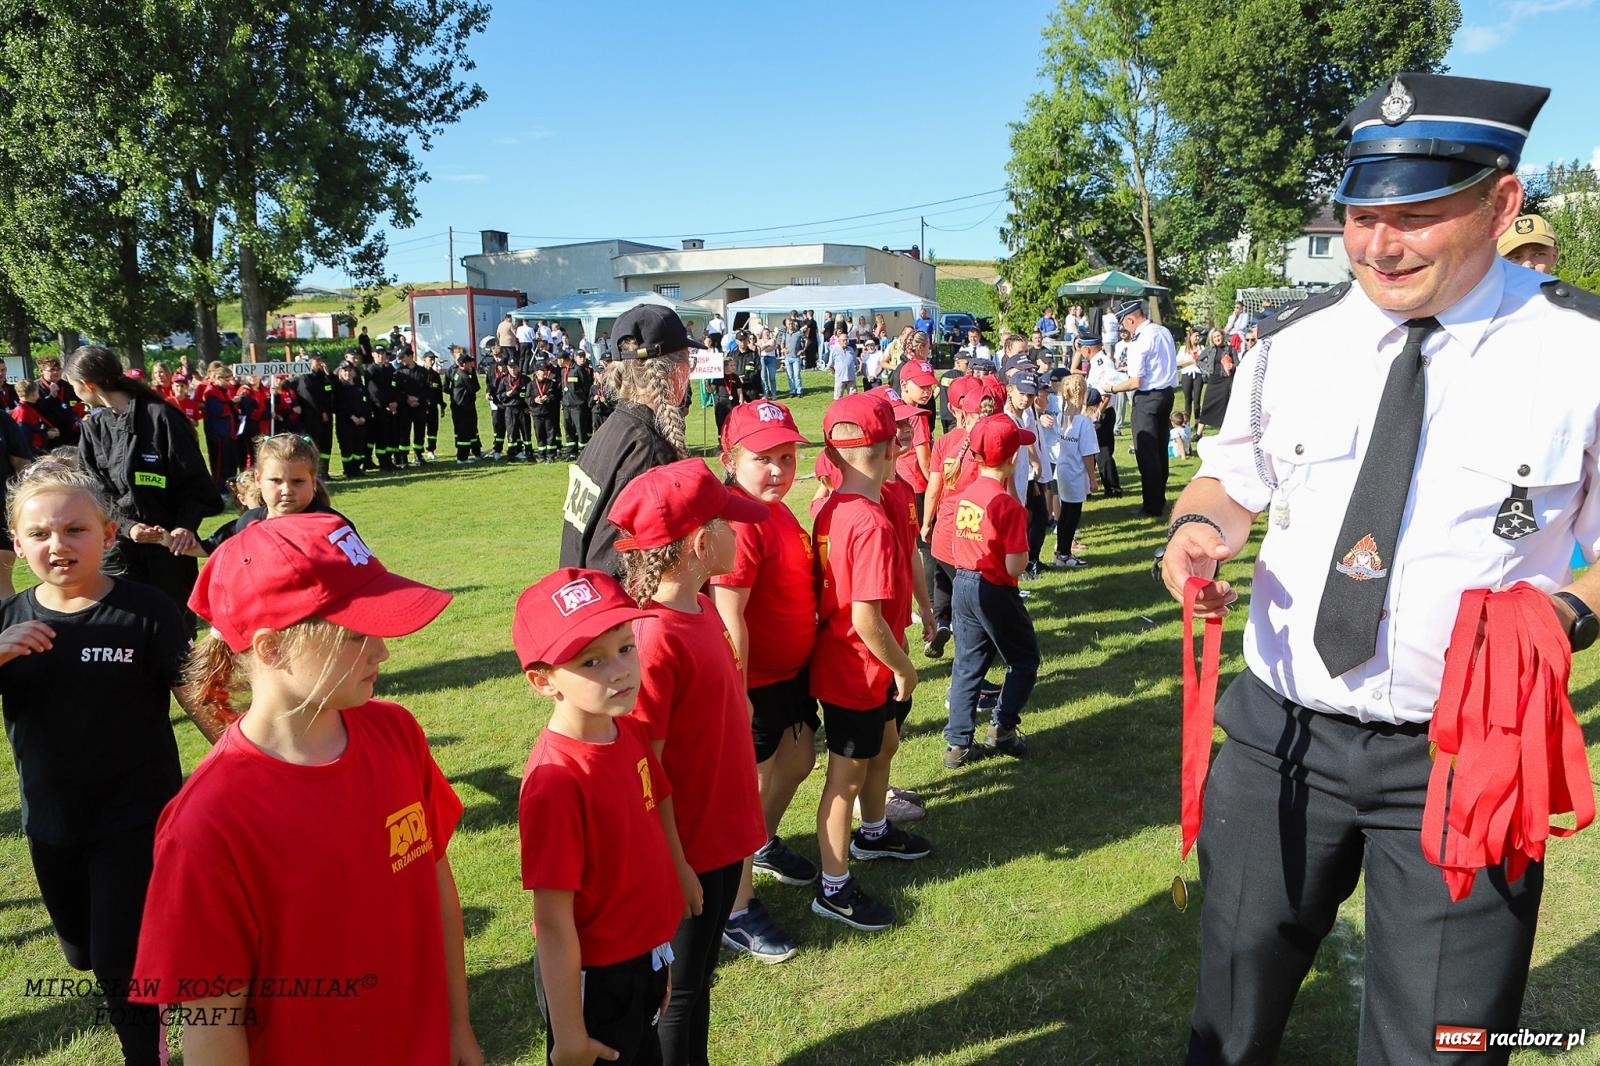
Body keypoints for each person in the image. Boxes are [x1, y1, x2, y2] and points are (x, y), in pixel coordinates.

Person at [1162, 73, 1592, 1065]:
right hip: (1279, 741)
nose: (1380, 245)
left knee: (1442, 1043)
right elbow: (1230, 481)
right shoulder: (1290, 344)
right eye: (1362, 216)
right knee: (1230, 1014)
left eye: (1417, 215)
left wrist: (1561, 614)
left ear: (1502, 204)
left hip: (1466, 757)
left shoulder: (1582, 351)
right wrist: (1195, 529)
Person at [130, 512, 479, 1064]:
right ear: (272, 649)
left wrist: (457, 1028)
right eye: (357, 633)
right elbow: (211, 1021)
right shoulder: (210, 821)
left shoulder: (397, 734)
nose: (383, 651)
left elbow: (436, 888)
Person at [0, 459, 222, 1066]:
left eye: (75, 530)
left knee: (120, 962)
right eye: (40, 533)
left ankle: (144, 1054)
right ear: (17, 542)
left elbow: (199, 698)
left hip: (136, 818)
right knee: (84, 952)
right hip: (51, 823)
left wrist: (251, 762)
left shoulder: (146, 611)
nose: (58, 545)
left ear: (108, 533)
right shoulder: (8, 622)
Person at [609, 460, 768, 1066]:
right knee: (678, 992)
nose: (739, 533)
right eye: (728, 524)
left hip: (721, 838)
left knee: (700, 979)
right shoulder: (654, 637)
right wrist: (674, 864)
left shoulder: (701, 609)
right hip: (688, 852)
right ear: (701, 544)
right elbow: (645, 770)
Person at [514, 567, 685, 1066]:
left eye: (626, 647)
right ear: (543, 680)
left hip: (644, 959)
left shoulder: (625, 730)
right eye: (592, 660)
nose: (620, 671)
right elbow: (553, 922)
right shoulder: (555, 782)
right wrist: (569, 1036)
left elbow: (652, 819)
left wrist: (658, 953)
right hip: (596, 979)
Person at [809, 393, 930, 932]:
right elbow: (865, 619)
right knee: (844, 779)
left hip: (857, 663)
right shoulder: (871, 522)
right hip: (855, 668)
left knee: (884, 745)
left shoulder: (828, 507)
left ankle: (874, 832)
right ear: (891, 449)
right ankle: (833, 886)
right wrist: (904, 666)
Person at [710, 402, 818, 965]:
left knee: (798, 761)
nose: (778, 470)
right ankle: (735, 906)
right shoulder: (737, 523)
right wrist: (738, 693)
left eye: (787, 457)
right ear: (731, 460)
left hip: (790, 676)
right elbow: (730, 616)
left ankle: (761, 844)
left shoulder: (775, 511)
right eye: (763, 459)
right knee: (747, 792)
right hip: (753, 684)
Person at [68, 346, 223, 629]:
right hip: (118, 552)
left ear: (88, 385)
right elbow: (92, 495)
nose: (74, 394)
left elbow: (197, 486)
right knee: (122, 633)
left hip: (168, 553)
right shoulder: (94, 428)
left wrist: (185, 527)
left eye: (73, 386)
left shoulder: (162, 418)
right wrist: (128, 527)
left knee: (172, 634)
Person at [560, 303, 693, 578]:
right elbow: (617, 560)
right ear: (678, 371)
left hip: (580, 590)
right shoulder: (648, 449)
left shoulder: (612, 429)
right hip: (610, 599)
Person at [942, 415, 1039, 767]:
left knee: (968, 664)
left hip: (963, 583)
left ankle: (957, 744)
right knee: (1024, 660)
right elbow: (1014, 566)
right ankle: (1002, 728)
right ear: (1013, 458)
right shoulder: (1008, 506)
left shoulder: (967, 494)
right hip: (995, 588)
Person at [1103, 299, 1177, 517]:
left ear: (1130, 320)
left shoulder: (1140, 341)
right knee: (1160, 449)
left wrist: (1112, 388)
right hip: (1166, 393)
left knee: (1146, 452)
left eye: (1123, 324)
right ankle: (1159, 498)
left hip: (1148, 397)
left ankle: (1152, 504)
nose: (1124, 328)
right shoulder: (1162, 331)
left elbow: (1135, 381)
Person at [1050, 374, 1098, 568]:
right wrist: (1093, 478)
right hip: (1075, 472)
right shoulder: (1083, 422)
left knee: (1065, 514)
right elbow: (1087, 454)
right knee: (1072, 515)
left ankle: (1061, 552)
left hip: (1062, 469)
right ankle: (1064, 553)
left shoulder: (1061, 416)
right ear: (1083, 393)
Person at [294, 352, 336, 477]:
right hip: (313, 417)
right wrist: (321, 412)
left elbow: (333, 390)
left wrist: (329, 375)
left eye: (322, 360)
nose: (321, 363)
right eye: (317, 360)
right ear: (310, 361)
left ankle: (324, 471)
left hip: (327, 416)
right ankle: (314, 473)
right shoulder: (305, 377)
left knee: (326, 444)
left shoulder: (324, 376)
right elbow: (309, 398)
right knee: (314, 445)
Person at [334, 359, 373, 477]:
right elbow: (339, 406)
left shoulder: (359, 386)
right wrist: (352, 417)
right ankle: (348, 470)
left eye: (350, 370)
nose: (348, 373)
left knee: (359, 447)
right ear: (341, 372)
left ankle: (357, 468)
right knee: (347, 448)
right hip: (346, 423)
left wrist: (364, 417)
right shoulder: (339, 386)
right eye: (345, 371)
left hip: (361, 422)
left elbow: (366, 402)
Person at [446, 346, 483, 463]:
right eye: (469, 363)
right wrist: (471, 375)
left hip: (463, 406)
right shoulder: (464, 376)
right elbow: (474, 388)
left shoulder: (459, 373)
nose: (471, 365)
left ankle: (471, 453)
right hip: (463, 407)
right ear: (463, 364)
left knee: (469, 430)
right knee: (463, 432)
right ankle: (462, 457)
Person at [559, 350, 593, 460]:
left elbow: (586, 386)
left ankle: (583, 453)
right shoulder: (563, 371)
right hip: (567, 405)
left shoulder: (578, 369)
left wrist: (582, 401)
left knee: (580, 430)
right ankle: (571, 452)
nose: (558, 362)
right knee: (568, 429)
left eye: (558, 360)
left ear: (563, 360)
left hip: (577, 406)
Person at [529, 360, 562, 462]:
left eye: (545, 370)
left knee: (550, 434)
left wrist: (548, 398)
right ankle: (541, 455)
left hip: (548, 412)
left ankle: (551, 455)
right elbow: (527, 398)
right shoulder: (531, 384)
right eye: (542, 370)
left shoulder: (551, 383)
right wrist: (534, 400)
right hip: (537, 413)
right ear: (536, 372)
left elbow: (556, 396)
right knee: (540, 434)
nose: (544, 372)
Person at [421, 350, 446, 459]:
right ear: (424, 359)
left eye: (433, 359)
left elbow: (439, 392)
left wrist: (442, 405)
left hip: (433, 407)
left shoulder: (435, 375)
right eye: (430, 359)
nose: (432, 361)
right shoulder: (419, 372)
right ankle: (418, 453)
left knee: (433, 429)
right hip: (421, 407)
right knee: (420, 430)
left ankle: (431, 450)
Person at [783, 321, 805, 397]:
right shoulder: (784, 334)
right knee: (790, 376)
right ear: (786, 325)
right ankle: (792, 391)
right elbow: (782, 343)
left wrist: (802, 350)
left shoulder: (798, 333)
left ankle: (799, 391)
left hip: (796, 358)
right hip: (787, 358)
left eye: (792, 324)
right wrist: (783, 349)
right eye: (789, 324)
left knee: (797, 375)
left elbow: (807, 340)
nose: (791, 325)